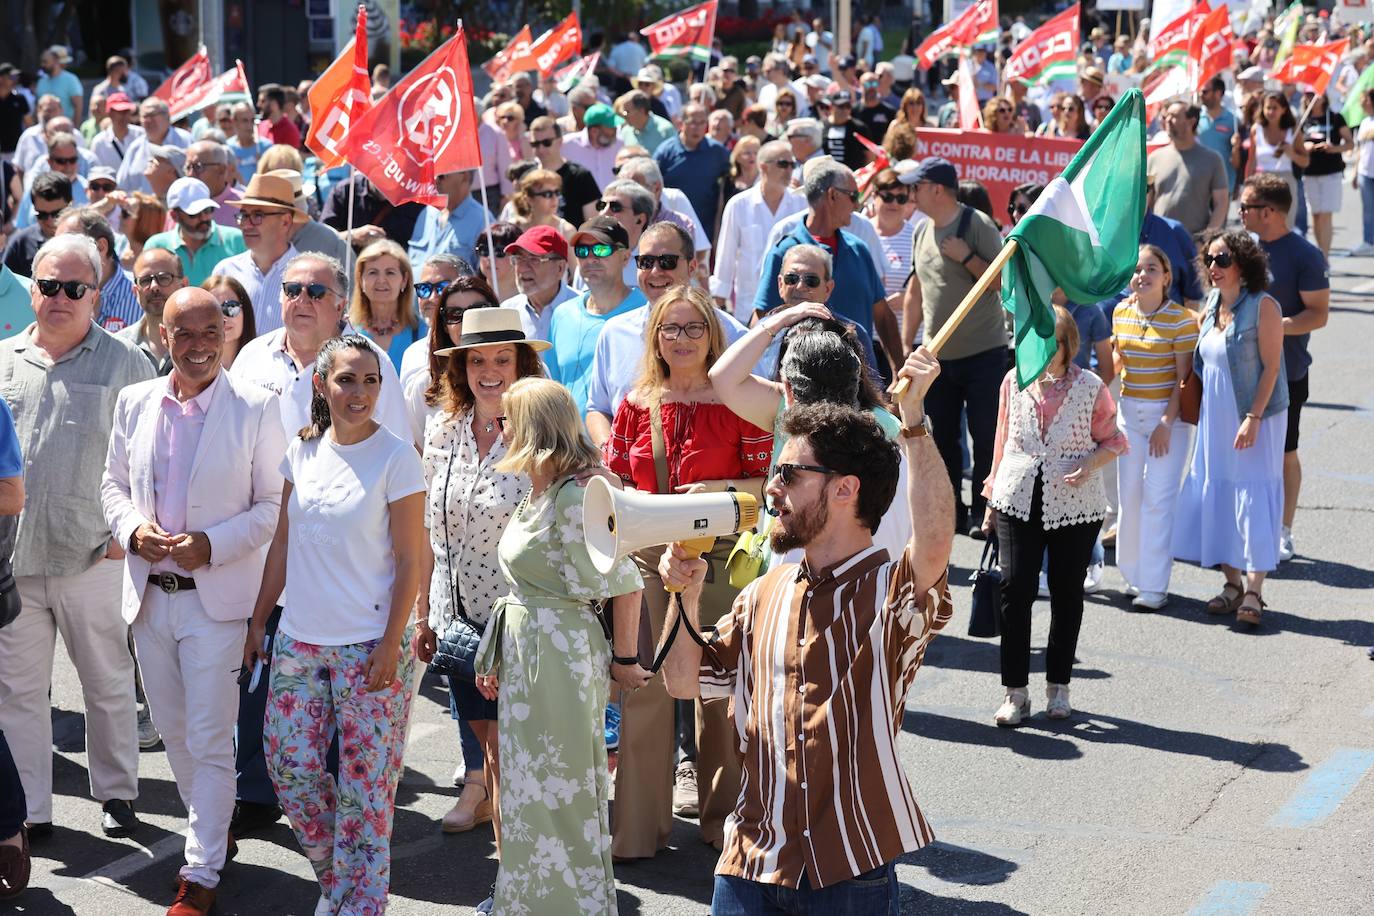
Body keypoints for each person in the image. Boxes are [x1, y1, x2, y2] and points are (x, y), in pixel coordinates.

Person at [658, 349, 954, 914]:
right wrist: (685, 594)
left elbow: (936, 542)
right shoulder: (762, 593)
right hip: (749, 859)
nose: (772, 488)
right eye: (775, 472)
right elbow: (680, 682)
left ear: (845, 490)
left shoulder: (889, 592)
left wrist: (914, 423)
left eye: (789, 475)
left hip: (848, 864)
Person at [100, 287, 285, 915]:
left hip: (218, 603)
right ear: (162, 335)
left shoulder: (258, 407)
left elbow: (271, 508)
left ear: (228, 334)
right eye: (185, 333)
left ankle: (201, 870)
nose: (200, 345)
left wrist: (213, 544)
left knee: (208, 738)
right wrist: (131, 531)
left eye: (212, 331)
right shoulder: (135, 401)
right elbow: (114, 485)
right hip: (150, 598)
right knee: (176, 737)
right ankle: (213, 824)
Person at [244, 334, 425, 915]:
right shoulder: (301, 452)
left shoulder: (398, 458)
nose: (360, 392)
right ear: (321, 384)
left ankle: (362, 903)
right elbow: (282, 542)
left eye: (371, 380)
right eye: (347, 379)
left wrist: (394, 642)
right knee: (291, 771)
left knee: (365, 796)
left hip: (370, 646)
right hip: (298, 640)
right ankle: (337, 883)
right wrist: (257, 621)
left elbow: (411, 560)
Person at [602, 285, 768, 860]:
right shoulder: (636, 402)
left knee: (717, 691)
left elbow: (770, 484)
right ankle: (637, 832)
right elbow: (614, 479)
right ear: (654, 337)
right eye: (669, 328)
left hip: (722, 555)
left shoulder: (739, 401)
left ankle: (725, 828)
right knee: (643, 688)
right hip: (648, 555)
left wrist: (718, 492)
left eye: (693, 327)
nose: (681, 339)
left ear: (713, 334)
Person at [471, 377, 648, 915]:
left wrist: (623, 661)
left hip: (562, 654)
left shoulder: (576, 495)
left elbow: (626, 581)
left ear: (534, 428)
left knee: (561, 785)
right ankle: (525, 900)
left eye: (507, 420)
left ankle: (574, 905)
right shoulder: (539, 489)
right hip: (531, 652)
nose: (499, 428)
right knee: (527, 786)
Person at [0, 235, 156, 841]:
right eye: (48, 286)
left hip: (94, 553)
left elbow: (151, 457)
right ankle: (31, 809)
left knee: (107, 682)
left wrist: (127, 534)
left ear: (96, 293)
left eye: (74, 288)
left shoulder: (126, 362)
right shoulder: (4, 358)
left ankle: (117, 794)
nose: (59, 297)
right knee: (17, 693)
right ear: (31, 289)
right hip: (15, 561)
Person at [414, 306, 547, 850]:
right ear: (460, 367)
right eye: (476, 360)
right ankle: (482, 789)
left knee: (517, 747)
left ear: (522, 365)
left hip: (521, 615)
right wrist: (423, 611)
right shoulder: (443, 429)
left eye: (501, 358)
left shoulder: (543, 432)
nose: (488, 371)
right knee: (478, 725)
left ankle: (527, 854)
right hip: (457, 611)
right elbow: (428, 527)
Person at [983, 305, 1126, 724]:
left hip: (1075, 503)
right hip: (1017, 495)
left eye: (1049, 341)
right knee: (1014, 589)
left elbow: (1115, 440)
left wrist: (1091, 464)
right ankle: (1015, 692)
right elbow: (1001, 441)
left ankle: (1058, 688)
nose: (1039, 348)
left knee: (1067, 594)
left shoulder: (1091, 387)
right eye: (1034, 339)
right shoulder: (1014, 380)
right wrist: (992, 499)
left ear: (1067, 345)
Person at [1173, 231, 1289, 627]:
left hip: (1255, 415)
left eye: (1222, 259)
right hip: (1215, 415)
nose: (1213, 267)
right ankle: (1232, 582)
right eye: (1209, 259)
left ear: (1243, 262)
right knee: (1218, 490)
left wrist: (1253, 417)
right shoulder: (1209, 305)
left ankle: (1255, 589)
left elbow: (1272, 368)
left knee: (1253, 494)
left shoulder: (1263, 306)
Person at [900, 156, 1008, 537]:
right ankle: (952, 514)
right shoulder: (920, 230)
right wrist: (905, 344)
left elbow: (1001, 282)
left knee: (984, 438)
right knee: (941, 441)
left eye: (915, 187)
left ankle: (984, 513)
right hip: (937, 358)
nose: (910, 194)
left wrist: (968, 258)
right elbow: (916, 290)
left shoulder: (976, 224)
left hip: (985, 355)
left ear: (937, 190)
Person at [1237, 174, 1329, 564]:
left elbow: (1318, 315)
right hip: (1240, 371)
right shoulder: (1242, 249)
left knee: (1284, 453)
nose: (1239, 214)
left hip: (1286, 372)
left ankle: (1283, 530)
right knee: (1242, 453)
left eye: (1246, 207)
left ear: (1269, 212)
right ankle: (1242, 526)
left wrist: (1276, 326)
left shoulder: (1305, 255)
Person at [1110, 245, 1198, 610]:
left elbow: (1184, 378)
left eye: (1151, 269)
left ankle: (1155, 586)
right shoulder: (1120, 311)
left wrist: (1166, 421)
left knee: (1158, 500)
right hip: (1129, 415)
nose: (1142, 276)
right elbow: (1119, 361)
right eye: (1137, 270)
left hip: (1168, 421)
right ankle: (1133, 574)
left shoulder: (1182, 320)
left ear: (1167, 277)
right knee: (1129, 497)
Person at [754, 158, 899, 366]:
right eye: (853, 196)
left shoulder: (859, 250)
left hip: (859, 386)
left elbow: (883, 316)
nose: (857, 204)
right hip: (800, 385)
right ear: (832, 195)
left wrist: (899, 370)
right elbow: (762, 320)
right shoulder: (785, 252)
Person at [546, 217, 645, 413]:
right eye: (582, 251)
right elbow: (553, 388)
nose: (590, 258)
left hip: (631, 441)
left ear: (625, 257)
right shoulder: (562, 314)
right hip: (572, 442)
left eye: (601, 249)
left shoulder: (648, 308)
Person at [710, 140, 807, 322]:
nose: (789, 170)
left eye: (792, 165)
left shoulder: (802, 204)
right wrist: (720, 303)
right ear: (763, 167)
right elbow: (726, 255)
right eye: (783, 164)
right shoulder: (738, 204)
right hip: (749, 305)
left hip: (793, 305)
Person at [211, 173, 304, 334]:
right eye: (244, 216)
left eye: (257, 216)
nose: (246, 225)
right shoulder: (225, 271)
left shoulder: (308, 277)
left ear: (286, 222)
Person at [143, 177, 248, 286]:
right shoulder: (155, 246)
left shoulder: (237, 240)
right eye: (194, 214)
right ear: (174, 216)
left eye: (207, 210)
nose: (204, 218)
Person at [52, 206, 141, 332]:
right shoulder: (54, 293)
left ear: (101, 247)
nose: (58, 254)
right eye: (55, 246)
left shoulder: (141, 294)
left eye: (69, 245)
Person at [1148, 101, 1230, 237]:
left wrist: (1205, 239)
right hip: (1160, 240)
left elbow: (1221, 203)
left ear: (1191, 121)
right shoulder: (1154, 158)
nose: (1168, 120)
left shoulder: (1212, 159)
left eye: (1174, 116)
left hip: (1193, 243)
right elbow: (1147, 203)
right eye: (1166, 116)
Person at [654, 103, 731, 244]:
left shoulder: (717, 152)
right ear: (681, 123)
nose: (697, 127)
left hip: (705, 229)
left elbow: (735, 175)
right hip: (671, 229)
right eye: (692, 122)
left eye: (702, 122)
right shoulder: (665, 152)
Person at [398, 252, 473, 387]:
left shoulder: (481, 349)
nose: (432, 298)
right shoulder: (412, 354)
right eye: (424, 288)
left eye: (443, 287)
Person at [351, 240, 423, 372]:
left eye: (390, 272)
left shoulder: (423, 333)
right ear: (360, 279)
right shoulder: (347, 331)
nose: (381, 280)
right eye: (373, 272)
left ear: (404, 280)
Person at [499, 225, 576, 344]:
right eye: (518, 258)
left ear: (560, 268)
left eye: (534, 259)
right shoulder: (508, 311)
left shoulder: (583, 310)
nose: (523, 268)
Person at [407, 169, 495, 273]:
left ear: (464, 177)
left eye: (441, 176)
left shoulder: (483, 221)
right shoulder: (427, 213)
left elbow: (488, 276)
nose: (435, 180)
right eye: (432, 175)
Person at [1297, 92, 1351, 257]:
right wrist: (1305, 147)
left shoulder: (1335, 118)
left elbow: (1350, 143)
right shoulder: (1303, 120)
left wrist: (1333, 148)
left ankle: (1325, 255)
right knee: (1316, 214)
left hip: (1331, 172)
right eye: (1308, 96)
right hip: (1310, 172)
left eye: (1315, 95)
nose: (1312, 99)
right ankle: (1320, 251)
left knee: (1326, 214)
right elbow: (1294, 144)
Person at [121, 248, 190, 374]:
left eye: (164, 278)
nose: (154, 287)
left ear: (184, 285)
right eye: (146, 280)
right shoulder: (119, 346)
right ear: (136, 292)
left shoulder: (202, 343)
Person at [1250, 92, 1309, 232]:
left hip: (1286, 181)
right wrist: (1249, 184)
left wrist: (1291, 153)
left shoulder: (1293, 131)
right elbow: (1251, 161)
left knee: (1284, 225)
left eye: (1275, 108)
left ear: (1283, 109)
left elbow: (1305, 161)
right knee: (1261, 226)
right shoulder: (1256, 130)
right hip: (1262, 181)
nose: (1271, 112)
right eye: (1267, 108)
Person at [527, 117, 600, 225]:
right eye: (535, 144)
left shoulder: (580, 176)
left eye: (546, 143)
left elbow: (592, 224)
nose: (541, 149)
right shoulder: (528, 177)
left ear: (560, 141)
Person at [116, 97, 192, 195]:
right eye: (144, 116)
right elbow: (122, 186)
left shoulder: (185, 140)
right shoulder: (135, 147)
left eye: (152, 115)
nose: (148, 120)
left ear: (167, 116)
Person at [3, 172, 70, 278]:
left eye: (57, 214)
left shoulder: (87, 240)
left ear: (70, 205)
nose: (50, 221)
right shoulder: (20, 244)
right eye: (42, 214)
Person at [563, 103, 623, 192]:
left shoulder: (620, 145)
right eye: (611, 127)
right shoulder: (566, 145)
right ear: (594, 131)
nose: (615, 129)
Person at [201, 275, 257, 370]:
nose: (223, 317)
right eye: (212, 309)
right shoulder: (186, 366)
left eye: (231, 307)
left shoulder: (266, 363)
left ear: (246, 312)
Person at [184, 141, 244, 224]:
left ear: (221, 170)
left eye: (198, 167)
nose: (190, 174)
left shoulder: (244, 206)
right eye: (188, 167)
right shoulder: (181, 205)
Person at [507, 168, 576, 239]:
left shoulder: (567, 231)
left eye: (557, 192)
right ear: (529, 199)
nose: (554, 198)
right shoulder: (514, 228)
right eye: (547, 194)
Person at [1198, 78, 1239, 195]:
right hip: (1199, 184)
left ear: (1218, 93)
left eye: (1205, 92)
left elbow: (1237, 161)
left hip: (1224, 185)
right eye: (1200, 91)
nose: (1201, 95)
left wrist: (1236, 147)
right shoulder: (1194, 119)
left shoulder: (1233, 120)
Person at [616, 90, 676, 156]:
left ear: (641, 110)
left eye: (627, 111)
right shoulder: (625, 131)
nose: (624, 115)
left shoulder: (666, 130)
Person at [473, 222, 518, 303]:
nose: (490, 258)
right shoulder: (470, 297)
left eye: (500, 251)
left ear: (517, 256)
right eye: (485, 250)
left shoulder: (532, 297)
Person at [35, 47, 81, 121]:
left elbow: (78, 106)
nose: (42, 65)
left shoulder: (71, 79)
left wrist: (75, 127)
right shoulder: (41, 81)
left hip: (65, 128)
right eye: (42, 62)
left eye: (45, 62)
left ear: (55, 61)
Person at [1355, 88, 1374, 258]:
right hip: (1365, 171)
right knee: (1368, 209)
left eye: (1365, 99)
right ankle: (1369, 241)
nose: (1363, 103)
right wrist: (1355, 172)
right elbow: (1360, 149)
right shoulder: (1365, 122)